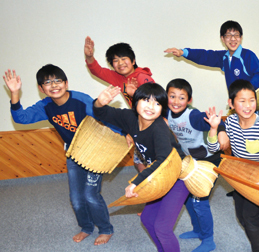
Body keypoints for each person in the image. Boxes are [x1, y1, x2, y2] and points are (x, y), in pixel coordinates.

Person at [4, 65, 117, 245]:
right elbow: (21, 118)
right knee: (76, 198)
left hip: (95, 153)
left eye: (57, 80)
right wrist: (15, 94)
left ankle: (105, 229)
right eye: (47, 82)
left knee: (90, 195)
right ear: (41, 89)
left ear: (66, 83)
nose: (53, 85)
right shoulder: (45, 106)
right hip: (73, 154)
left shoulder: (80, 100)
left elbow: (104, 116)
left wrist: (125, 134)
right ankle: (86, 227)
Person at [93, 83, 188, 252]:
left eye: (157, 103)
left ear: (162, 109)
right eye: (146, 100)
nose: (151, 107)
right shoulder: (130, 118)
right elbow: (101, 112)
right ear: (135, 102)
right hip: (159, 177)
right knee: (147, 219)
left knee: (163, 228)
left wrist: (137, 181)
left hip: (179, 177)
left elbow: (163, 160)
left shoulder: (159, 128)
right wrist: (100, 103)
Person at [205, 80, 259, 252]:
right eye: (242, 101)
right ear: (231, 103)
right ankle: (255, 238)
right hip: (240, 177)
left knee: (250, 216)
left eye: (252, 100)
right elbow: (213, 148)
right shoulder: (230, 122)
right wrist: (214, 129)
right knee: (241, 216)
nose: (248, 106)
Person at [165, 79, 229, 252]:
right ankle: (198, 230)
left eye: (181, 97)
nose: (176, 101)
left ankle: (209, 239)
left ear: (189, 100)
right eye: (172, 96)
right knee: (187, 199)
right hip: (190, 161)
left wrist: (222, 131)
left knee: (200, 201)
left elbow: (214, 121)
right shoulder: (166, 112)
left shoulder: (192, 116)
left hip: (210, 160)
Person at [84, 36, 154, 173]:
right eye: (115, 61)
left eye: (123, 59)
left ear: (133, 61)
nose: (120, 63)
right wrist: (89, 57)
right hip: (138, 122)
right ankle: (149, 189)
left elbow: (155, 102)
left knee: (154, 161)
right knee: (140, 164)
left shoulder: (142, 77)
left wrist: (135, 95)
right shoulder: (118, 78)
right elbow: (97, 70)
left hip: (153, 123)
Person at [164, 20, 259, 89]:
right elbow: (204, 56)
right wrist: (183, 52)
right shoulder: (224, 58)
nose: (233, 39)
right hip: (236, 105)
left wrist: (246, 91)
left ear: (241, 37)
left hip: (251, 106)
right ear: (222, 39)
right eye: (228, 36)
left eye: (236, 35)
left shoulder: (248, 55)